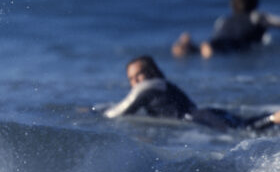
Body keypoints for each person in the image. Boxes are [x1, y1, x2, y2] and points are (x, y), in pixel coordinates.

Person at [104, 55, 280, 132]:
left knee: (246, 129)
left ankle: (274, 117)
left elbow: (118, 113)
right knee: (247, 126)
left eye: (138, 75)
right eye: (131, 78)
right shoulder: (164, 85)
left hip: (197, 119)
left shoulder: (147, 87)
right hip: (204, 114)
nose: (134, 82)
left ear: (151, 71)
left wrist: (95, 115)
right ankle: (273, 117)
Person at [172, 0, 280, 58]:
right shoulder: (256, 16)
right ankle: (203, 48)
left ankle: (190, 46)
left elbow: (216, 33)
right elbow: (276, 22)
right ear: (255, 3)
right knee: (223, 49)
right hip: (236, 43)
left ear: (231, 5)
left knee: (210, 47)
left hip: (217, 40)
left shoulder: (223, 20)